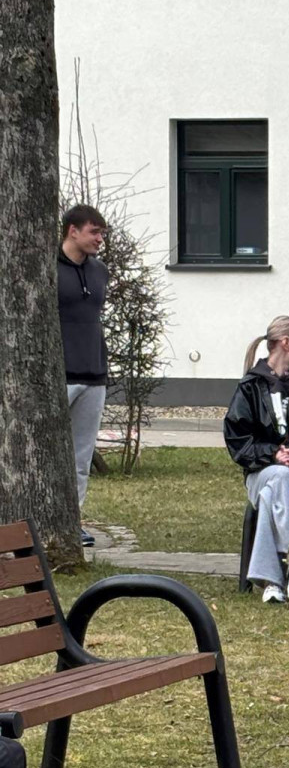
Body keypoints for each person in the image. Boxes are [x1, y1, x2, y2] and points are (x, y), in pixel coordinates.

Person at [223, 316, 289, 603]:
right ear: (286, 343)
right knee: (279, 479)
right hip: (260, 472)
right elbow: (238, 441)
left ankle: (272, 582)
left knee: (275, 490)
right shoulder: (250, 386)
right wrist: (272, 454)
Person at [59, 204, 109, 547]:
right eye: (94, 232)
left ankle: (72, 523)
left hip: (94, 374)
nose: (99, 239)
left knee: (80, 456)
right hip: (57, 376)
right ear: (72, 230)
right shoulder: (45, 268)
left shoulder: (100, 271)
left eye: (102, 233)